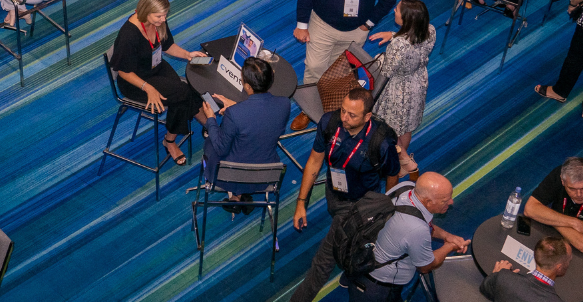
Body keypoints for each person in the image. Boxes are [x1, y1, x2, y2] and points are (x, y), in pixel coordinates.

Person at [288, 87, 402, 302]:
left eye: (352, 115)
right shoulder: (329, 123)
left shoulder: (381, 142)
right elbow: (314, 161)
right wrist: (301, 202)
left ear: (368, 116)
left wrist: (383, 209)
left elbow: (392, 175)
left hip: (358, 206)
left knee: (323, 262)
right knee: (351, 242)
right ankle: (353, 265)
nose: (344, 118)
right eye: (343, 111)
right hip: (333, 192)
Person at [291, 0, 398, 129]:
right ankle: (308, 110)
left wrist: (369, 23)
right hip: (322, 25)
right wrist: (302, 25)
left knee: (340, 74)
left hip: (356, 31)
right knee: (315, 68)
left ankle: (331, 110)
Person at [109, 0, 208, 165]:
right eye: (159, 16)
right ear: (145, 11)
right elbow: (123, 71)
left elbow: (167, 45)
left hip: (154, 66)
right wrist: (148, 88)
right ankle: (170, 141)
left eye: (165, 15)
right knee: (181, 93)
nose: (163, 20)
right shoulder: (129, 35)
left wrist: (187, 54)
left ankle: (207, 125)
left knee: (185, 89)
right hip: (134, 81)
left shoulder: (157, 21)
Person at [341, 172, 469, 302]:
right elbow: (425, 266)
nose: (451, 202)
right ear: (428, 202)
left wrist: (447, 236)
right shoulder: (416, 229)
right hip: (379, 286)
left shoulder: (405, 187)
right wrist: (449, 246)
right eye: (445, 200)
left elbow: (422, 226)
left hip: (362, 258)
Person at [199, 58, 288, 204]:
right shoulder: (285, 104)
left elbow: (221, 148)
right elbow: (260, 117)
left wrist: (210, 119)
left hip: (230, 175)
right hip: (264, 175)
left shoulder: (234, 114)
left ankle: (237, 194)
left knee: (210, 142)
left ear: (247, 86)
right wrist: (236, 106)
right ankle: (238, 196)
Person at [368, 0, 436, 178]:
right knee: (405, 126)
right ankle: (402, 158)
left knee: (388, 127)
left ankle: (403, 159)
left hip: (397, 91)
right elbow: (411, 38)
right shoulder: (430, 30)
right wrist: (392, 33)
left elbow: (387, 71)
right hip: (417, 83)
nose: (394, 12)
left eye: (397, 10)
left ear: (406, 19)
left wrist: (377, 59)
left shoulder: (398, 46)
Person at [480, 237, 571, 302]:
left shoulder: (503, 278)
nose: (570, 262)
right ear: (559, 268)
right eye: (569, 260)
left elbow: (484, 289)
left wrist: (496, 275)